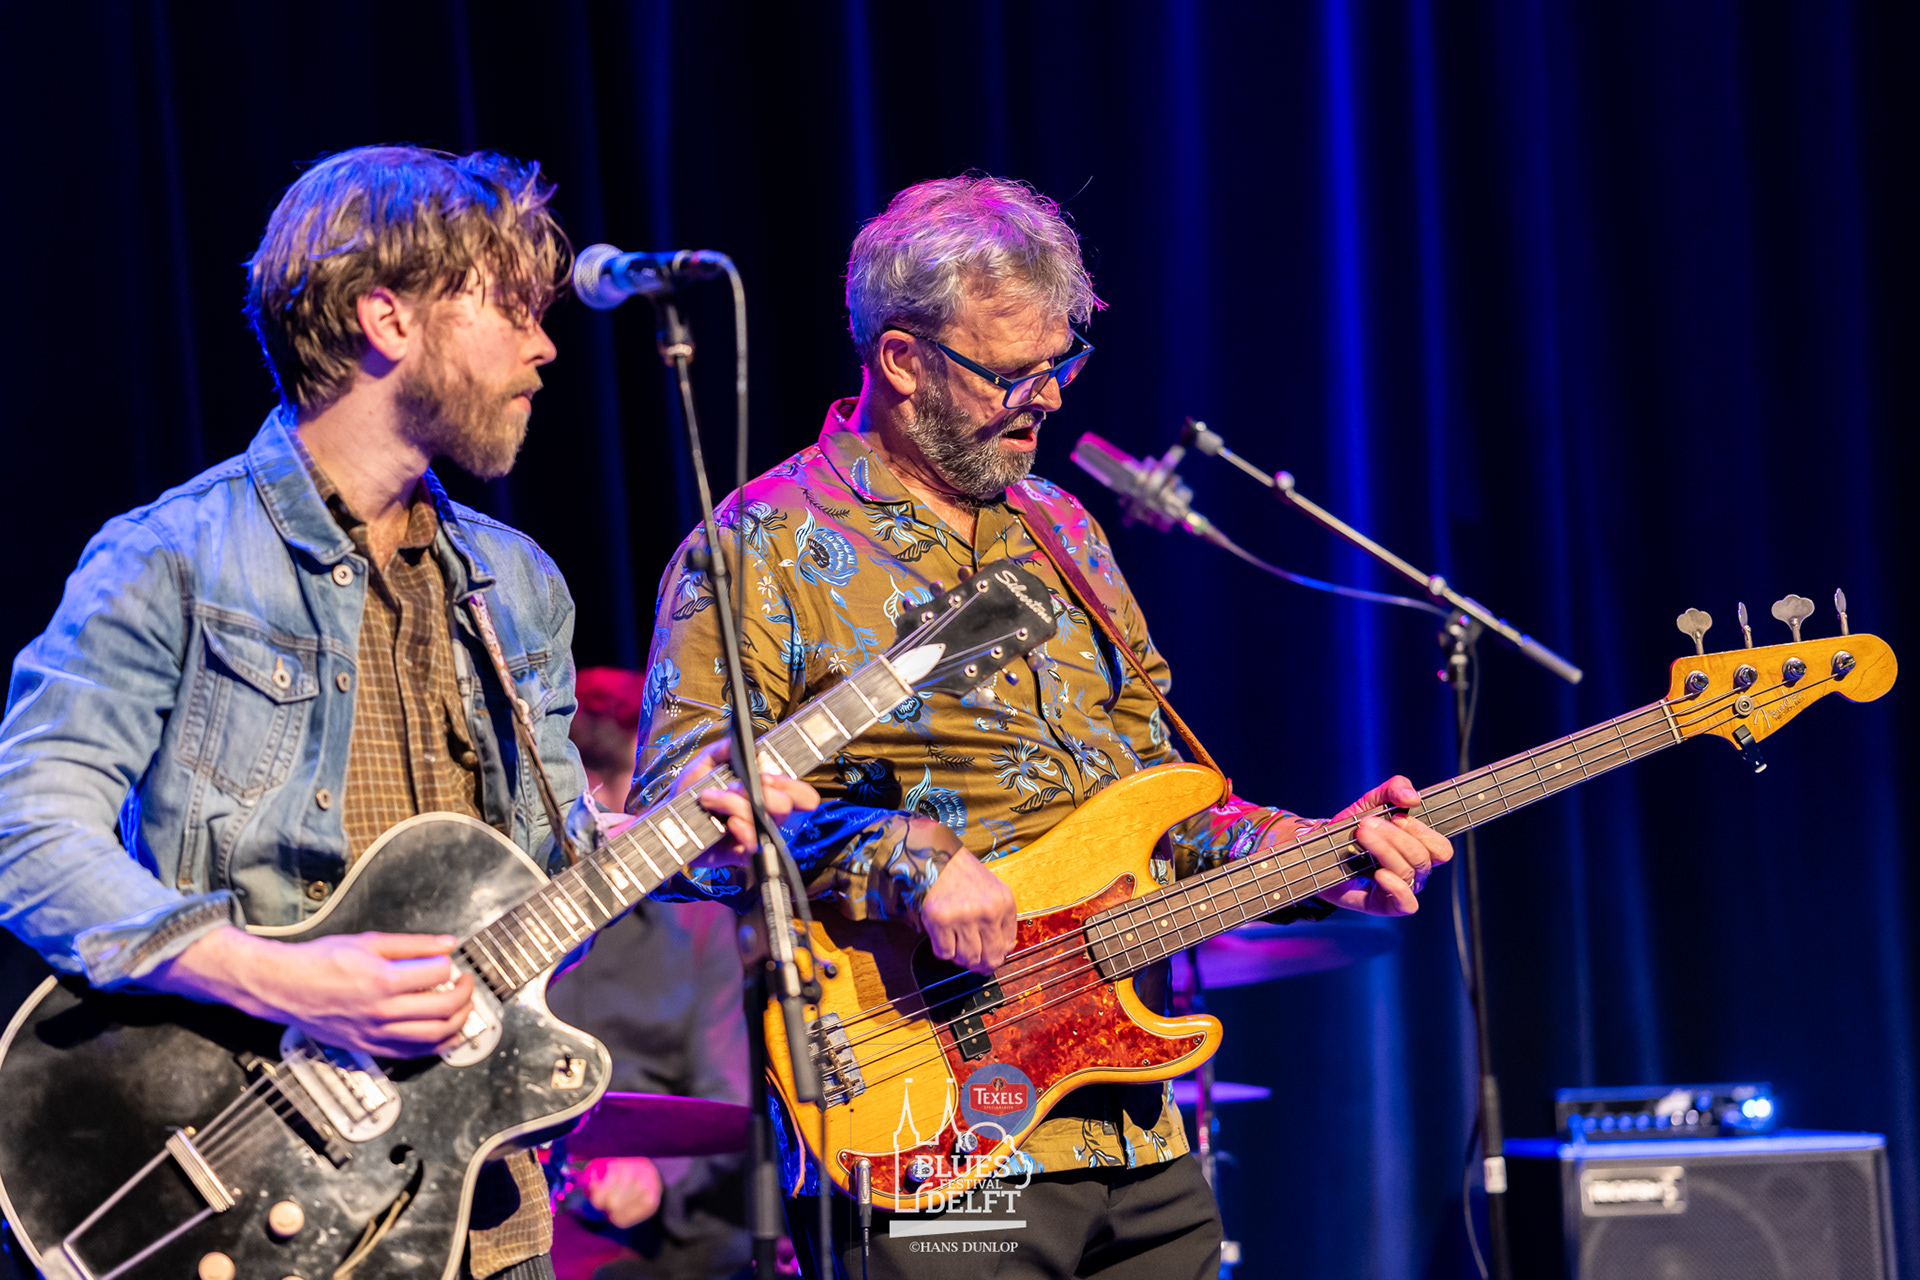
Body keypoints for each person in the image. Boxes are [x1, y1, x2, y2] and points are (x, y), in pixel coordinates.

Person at [0, 146, 811, 1280]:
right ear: (386, 316)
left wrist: (677, 829)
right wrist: (277, 974)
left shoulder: (517, 584)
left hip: (477, 1199)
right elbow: (29, 835)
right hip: (246, 1172)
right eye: (510, 308)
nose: (544, 344)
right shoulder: (171, 558)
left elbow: (550, 861)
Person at [629, 176, 1455, 1279]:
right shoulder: (758, 545)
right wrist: (902, 858)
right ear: (904, 362)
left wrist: (1304, 853)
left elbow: (1160, 793)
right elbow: (676, 817)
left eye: (1061, 365)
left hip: (1132, 1124)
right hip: (926, 1124)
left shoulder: (1062, 526)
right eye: (1013, 374)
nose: (1049, 399)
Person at [546, 668, 753, 1280]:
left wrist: (654, 1172)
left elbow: (726, 1093)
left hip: (660, 1229)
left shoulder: (699, 925)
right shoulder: (508, 905)